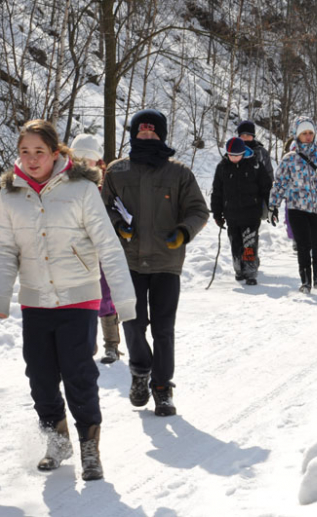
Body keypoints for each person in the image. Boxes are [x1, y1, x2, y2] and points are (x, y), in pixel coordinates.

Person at [0, 119, 136, 480]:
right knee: (39, 376)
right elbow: (6, 249)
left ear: (56, 153)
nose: (31, 159)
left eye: (39, 151)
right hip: (35, 299)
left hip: (78, 297)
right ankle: (56, 440)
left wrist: (124, 299)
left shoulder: (82, 190)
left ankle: (89, 445)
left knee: (78, 373)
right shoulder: (10, 195)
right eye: (25, 152)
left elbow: (108, 245)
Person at [103, 109, 209, 417]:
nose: (146, 135)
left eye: (152, 132)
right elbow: (101, 210)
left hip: (166, 262)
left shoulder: (178, 173)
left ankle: (162, 389)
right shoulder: (116, 171)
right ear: (134, 134)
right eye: (141, 131)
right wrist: (117, 224)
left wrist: (183, 232)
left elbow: (198, 211)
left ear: (161, 135)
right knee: (133, 324)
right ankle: (140, 372)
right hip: (129, 261)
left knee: (163, 328)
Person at [268, 116, 317, 293]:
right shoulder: (289, 159)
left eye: (310, 133)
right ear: (297, 135)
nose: (308, 137)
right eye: (304, 133)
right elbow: (280, 183)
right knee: (303, 245)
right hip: (297, 209)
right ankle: (305, 281)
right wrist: (273, 205)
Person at [69, 134, 122, 364]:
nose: (84, 163)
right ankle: (86, 344)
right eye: (79, 158)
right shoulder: (65, 181)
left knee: (105, 296)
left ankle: (111, 344)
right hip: (75, 250)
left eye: (88, 158)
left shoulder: (106, 182)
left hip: (101, 247)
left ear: (97, 160)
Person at [211, 137, 271, 285]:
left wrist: (271, 207)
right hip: (231, 215)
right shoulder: (222, 167)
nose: (234, 158)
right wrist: (217, 214)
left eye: (237, 155)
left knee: (249, 243)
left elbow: (266, 187)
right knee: (236, 244)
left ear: (243, 153)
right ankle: (239, 269)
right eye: (231, 155)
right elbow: (217, 192)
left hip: (251, 213)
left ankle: (250, 272)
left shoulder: (254, 165)